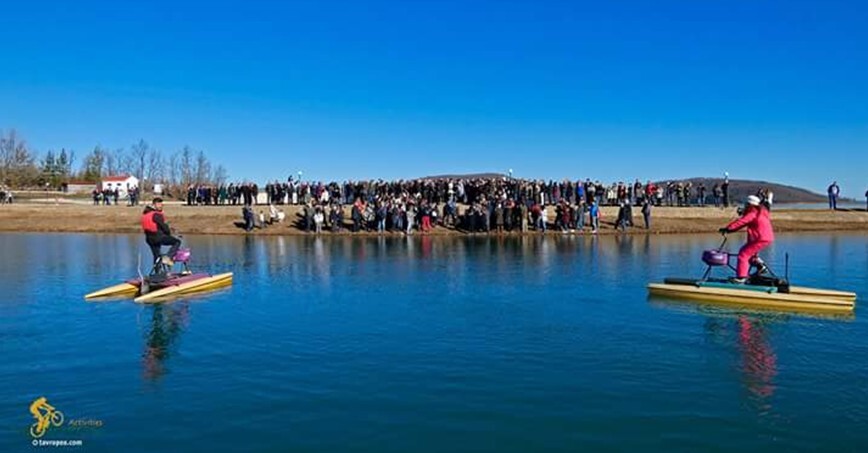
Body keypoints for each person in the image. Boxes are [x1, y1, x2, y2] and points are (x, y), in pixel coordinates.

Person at [719, 195, 774, 284]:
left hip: (759, 238)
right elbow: (744, 223)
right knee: (750, 255)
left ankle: (741, 278)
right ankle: (761, 267)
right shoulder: (761, 212)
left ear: (749, 204)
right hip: (765, 237)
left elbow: (741, 222)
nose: (744, 206)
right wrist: (730, 230)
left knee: (743, 254)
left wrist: (727, 229)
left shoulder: (753, 213)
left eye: (746, 204)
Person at [141, 198, 182, 267]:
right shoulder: (156, 214)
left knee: (157, 256)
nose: (161, 206)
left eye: (161, 204)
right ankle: (168, 257)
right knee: (177, 242)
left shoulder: (145, 214)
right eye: (159, 204)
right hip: (158, 237)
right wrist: (169, 235)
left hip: (149, 239)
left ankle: (157, 274)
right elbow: (164, 227)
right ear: (153, 205)